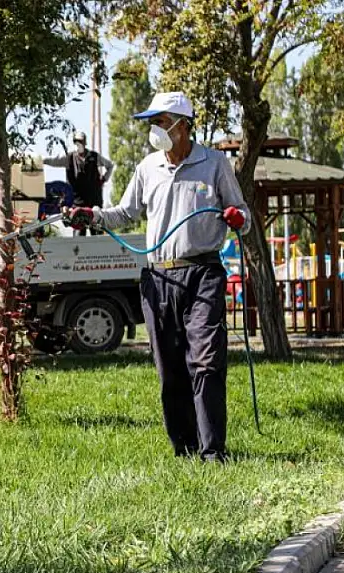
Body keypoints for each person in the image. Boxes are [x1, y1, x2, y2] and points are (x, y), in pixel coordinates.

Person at [64, 92, 251, 463]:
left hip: (202, 273)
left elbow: (242, 214)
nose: (156, 129)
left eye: (162, 121)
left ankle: (213, 451)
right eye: (153, 122)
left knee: (207, 361)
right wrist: (92, 216)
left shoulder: (214, 163)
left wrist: (236, 217)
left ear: (183, 125)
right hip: (158, 279)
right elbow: (125, 212)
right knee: (170, 369)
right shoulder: (148, 168)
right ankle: (184, 449)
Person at [44, 131, 114, 236]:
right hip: (77, 206)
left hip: (94, 204)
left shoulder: (94, 157)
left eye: (80, 141)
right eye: (76, 141)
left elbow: (110, 165)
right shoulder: (68, 158)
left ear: (85, 142)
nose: (78, 143)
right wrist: (40, 160)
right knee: (78, 235)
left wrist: (104, 179)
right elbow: (53, 160)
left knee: (98, 236)